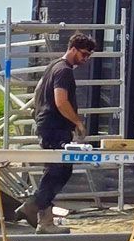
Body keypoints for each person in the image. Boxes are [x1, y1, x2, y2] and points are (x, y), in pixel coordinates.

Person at [18, 32, 97, 230]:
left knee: (55, 171)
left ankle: (43, 218)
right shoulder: (64, 71)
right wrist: (78, 122)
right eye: (84, 54)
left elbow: (37, 93)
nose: (85, 59)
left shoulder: (53, 66)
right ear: (72, 49)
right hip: (55, 127)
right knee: (59, 171)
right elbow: (61, 101)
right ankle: (33, 206)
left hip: (49, 125)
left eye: (88, 55)